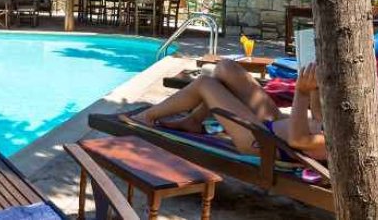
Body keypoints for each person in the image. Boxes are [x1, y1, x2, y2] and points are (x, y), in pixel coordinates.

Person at [131, 59, 329, 160]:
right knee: (225, 67)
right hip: (275, 123)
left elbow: (298, 140)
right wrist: (314, 85)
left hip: (262, 141)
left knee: (205, 84)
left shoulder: (346, 143)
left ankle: (146, 117)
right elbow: (319, 117)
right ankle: (193, 120)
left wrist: (301, 93)